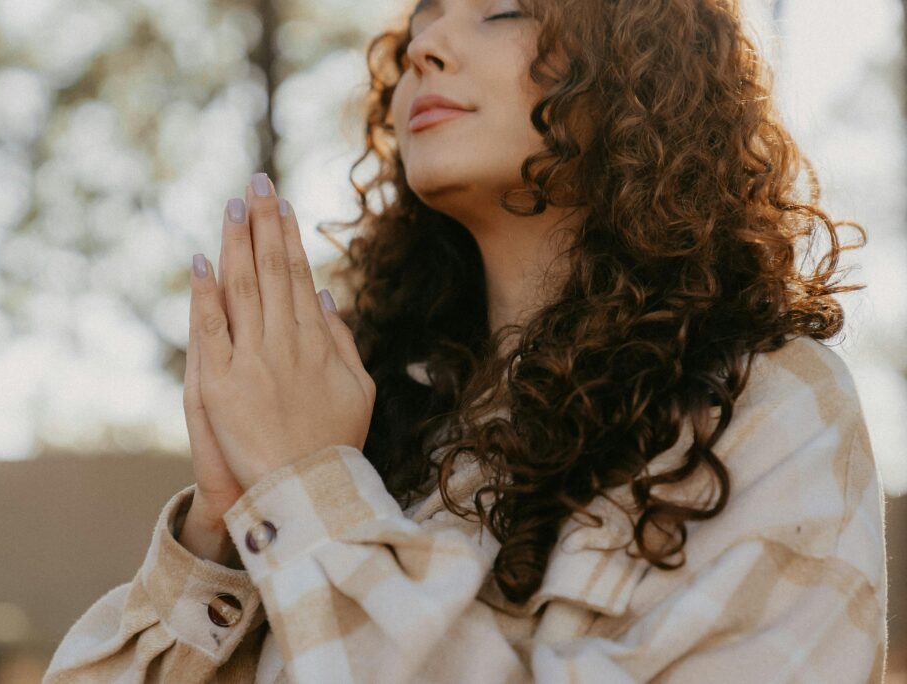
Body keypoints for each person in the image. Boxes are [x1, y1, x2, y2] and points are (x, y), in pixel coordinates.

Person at [43, 0, 888, 681]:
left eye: (504, 11)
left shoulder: (768, 405)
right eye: (426, 13)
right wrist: (227, 527)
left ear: (643, 69)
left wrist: (308, 495)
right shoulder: (372, 410)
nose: (426, 45)